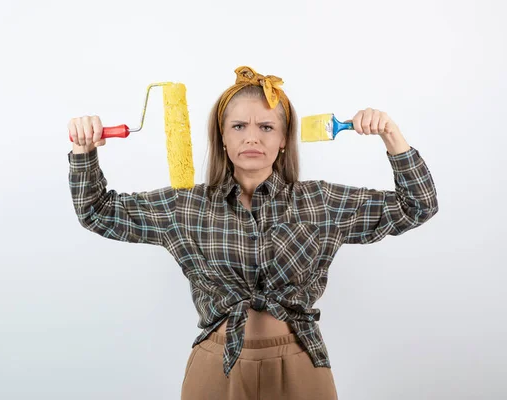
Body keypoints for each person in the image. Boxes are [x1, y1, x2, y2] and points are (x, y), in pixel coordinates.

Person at [67, 66, 439, 400]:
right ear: (223, 138)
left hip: (300, 367)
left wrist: (391, 134)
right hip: (217, 370)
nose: (252, 138)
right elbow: (97, 212)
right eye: (238, 127)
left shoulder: (320, 202)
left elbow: (417, 205)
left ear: (283, 140)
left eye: (266, 127)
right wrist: (84, 152)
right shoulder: (186, 207)